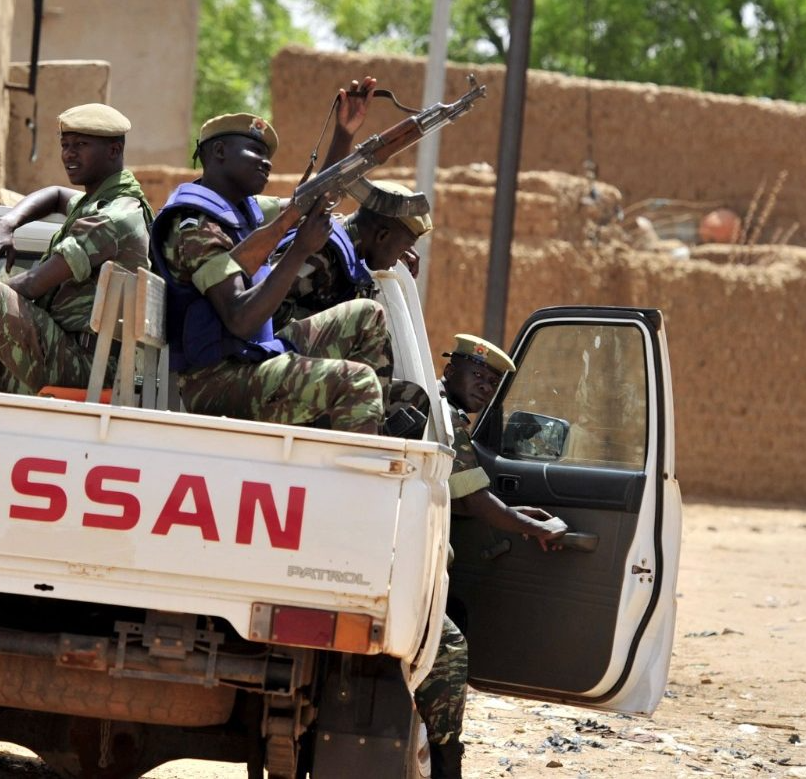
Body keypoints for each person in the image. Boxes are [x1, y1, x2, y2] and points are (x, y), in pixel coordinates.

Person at [150, 83, 393, 433]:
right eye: (255, 150)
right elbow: (240, 320)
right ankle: (356, 457)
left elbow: (312, 200)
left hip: (251, 356)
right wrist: (300, 250)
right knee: (357, 382)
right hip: (218, 381)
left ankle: (358, 426)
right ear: (219, 151)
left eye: (268, 154)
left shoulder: (241, 210)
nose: (267, 162)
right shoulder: (195, 227)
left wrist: (344, 133)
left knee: (368, 316)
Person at [416, 334, 568, 777]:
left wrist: (517, 514)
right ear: (451, 370)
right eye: (478, 375)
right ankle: (446, 764)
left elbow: (459, 494)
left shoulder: (440, 408)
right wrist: (534, 528)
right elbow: (476, 501)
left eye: (492, 383)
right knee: (449, 649)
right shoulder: (443, 413)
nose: (485, 387)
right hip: (410, 567)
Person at [0, 103, 152, 392]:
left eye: (81, 145)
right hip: (83, 355)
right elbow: (56, 195)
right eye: (65, 145)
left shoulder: (110, 218)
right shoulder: (107, 203)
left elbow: (33, 284)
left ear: (114, 150)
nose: (69, 154)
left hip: (87, 365)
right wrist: (6, 224)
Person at [269, 179, 432, 332]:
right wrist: (332, 324)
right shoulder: (323, 251)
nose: (397, 261)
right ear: (382, 236)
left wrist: (394, 247)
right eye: (402, 250)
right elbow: (267, 308)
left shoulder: (345, 238)